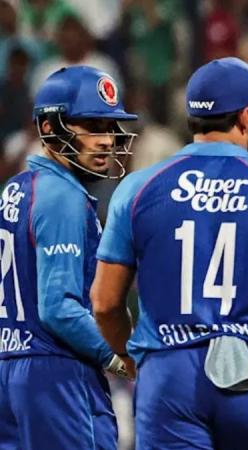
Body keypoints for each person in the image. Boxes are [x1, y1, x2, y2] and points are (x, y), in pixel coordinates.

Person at [90, 57, 248, 450]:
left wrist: (128, 357)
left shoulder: (138, 189)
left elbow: (104, 304)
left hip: (169, 372)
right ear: (247, 116)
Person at [0, 65, 136, 449]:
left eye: (109, 128)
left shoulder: (13, 189)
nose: (106, 140)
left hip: (8, 367)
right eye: (91, 126)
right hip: (56, 374)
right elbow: (58, 308)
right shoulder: (64, 196)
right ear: (49, 128)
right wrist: (117, 356)